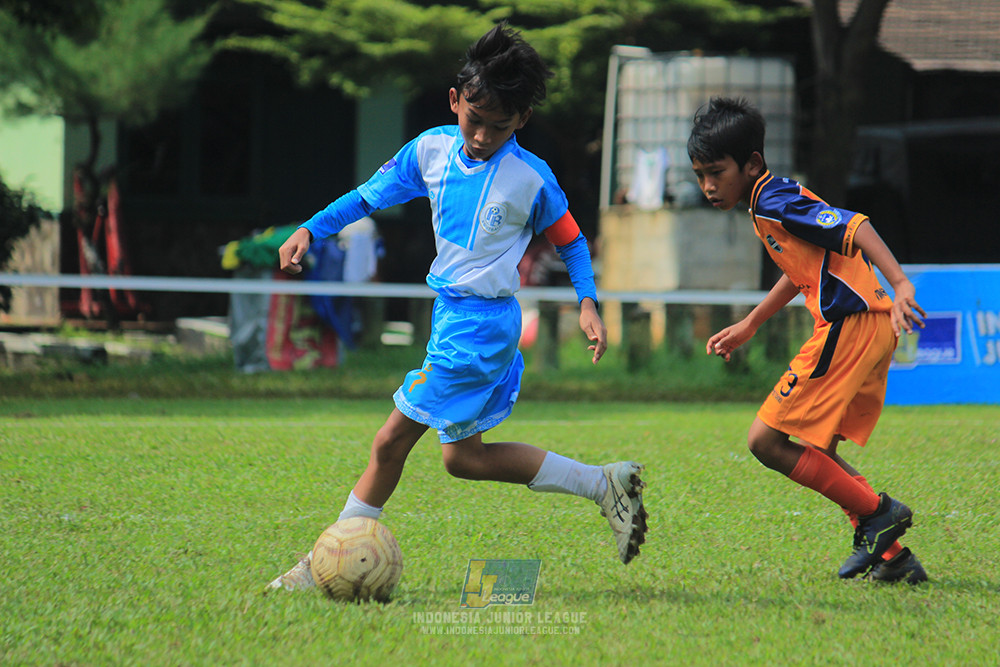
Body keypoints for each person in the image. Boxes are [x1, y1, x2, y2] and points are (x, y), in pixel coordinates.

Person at [267, 24, 648, 592]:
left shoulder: (531, 178)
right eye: (475, 118)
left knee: (389, 442)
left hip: (479, 328)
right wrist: (310, 228)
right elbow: (366, 197)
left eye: (500, 125)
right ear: (455, 101)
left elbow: (570, 240)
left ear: (520, 121)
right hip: (456, 319)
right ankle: (603, 484)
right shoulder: (430, 150)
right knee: (462, 458)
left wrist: (588, 302)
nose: (482, 135)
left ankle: (321, 566)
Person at [687, 97, 927, 584]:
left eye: (716, 172)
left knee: (765, 441)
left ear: (751, 163)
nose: (708, 186)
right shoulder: (766, 203)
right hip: (867, 326)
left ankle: (880, 513)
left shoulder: (774, 201)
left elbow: (855, 225)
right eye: (699, 175)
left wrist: (902, 283)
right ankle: (895, 558)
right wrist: (752, 322)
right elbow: (801, 271)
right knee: (821, 449)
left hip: (851, 326)